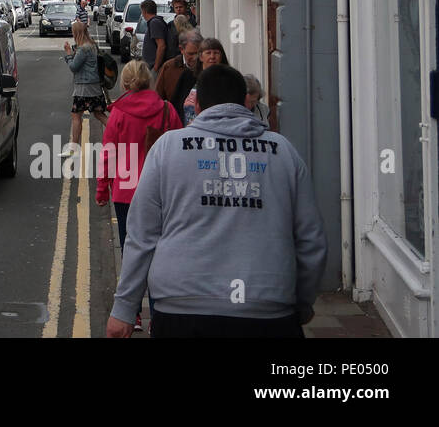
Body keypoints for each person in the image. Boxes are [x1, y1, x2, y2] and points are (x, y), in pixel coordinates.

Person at [106, 65, 328, 338]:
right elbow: (311, 241)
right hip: (268, 309)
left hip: (182, 308)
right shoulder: (283, 152)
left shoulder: (168, 148)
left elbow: (141, 235)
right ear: (245, 102)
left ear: (197, 105)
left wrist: (125, 308)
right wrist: (301, 302)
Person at [97, 58, 182, 331]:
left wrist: (102, 190)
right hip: (161, 193)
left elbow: (109, 155)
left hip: (126, 192)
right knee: (160, 253)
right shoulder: (167, 110)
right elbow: (183, 151)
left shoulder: (119, 113)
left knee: (130, 251)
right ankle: (159, 314)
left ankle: (131, 313)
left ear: (125, 82)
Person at [60, 21, 106, 158]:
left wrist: (68, 54)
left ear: (77, 33)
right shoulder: (92, 45)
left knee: (76, 116)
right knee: (99, 114)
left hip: (83, 88)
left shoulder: (83, 49)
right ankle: (119, 136)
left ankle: (73, 148)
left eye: (73, 31)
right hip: (94, 86)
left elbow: (74, 67)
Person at [180, 38, 228, 124]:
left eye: (216, 53)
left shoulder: (229, 78)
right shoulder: (189, 76)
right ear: (201, 57)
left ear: (221, 56)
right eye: (208, 53)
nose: (212, 56)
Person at [155, 30, 201, 116]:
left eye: (198, 53)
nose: (195, 58)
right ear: (181, 49)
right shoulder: (169, 67)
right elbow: (158, 96)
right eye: (191, 54)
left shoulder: (206, 67)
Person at [140, 0, 175, 77]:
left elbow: (161, 46)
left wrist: (155, 68)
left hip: (154, 67)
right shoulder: (155, 22)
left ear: (144, 11)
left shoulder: (154, 23)